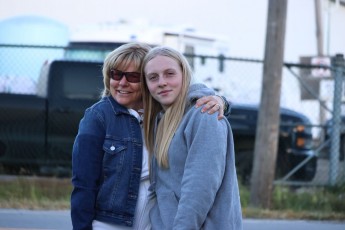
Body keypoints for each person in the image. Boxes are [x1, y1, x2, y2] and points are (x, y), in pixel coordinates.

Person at [70, 42, 231, 230]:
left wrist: (221, 101)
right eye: (116, 74)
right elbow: (84, 184)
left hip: (157, 222)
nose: (122, 82)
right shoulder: (98, 116)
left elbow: (194, 100)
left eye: (132, 77)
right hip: (112, 222)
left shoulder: (164, 114)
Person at [141, 46, 243, 229]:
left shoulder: (205, 114)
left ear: (185, 74)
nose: (162, 82)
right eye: (153, 77)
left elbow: (199, 188)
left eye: (169, 73)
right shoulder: (160, 118)